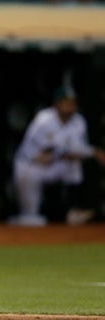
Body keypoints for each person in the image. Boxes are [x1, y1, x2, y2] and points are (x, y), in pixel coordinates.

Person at [10, 85, 105, 227]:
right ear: (56, 104)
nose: (69, 107)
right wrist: (94, 152)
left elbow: (76, 150)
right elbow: (48, 153)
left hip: (53, 165)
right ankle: (20, 222)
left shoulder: (78, 121)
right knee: (32, 217)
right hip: (30, 167)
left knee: (74, 163)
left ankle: (72, 210)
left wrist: (90, 152)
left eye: (72, 103)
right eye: (65, 103)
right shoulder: (44, 119)